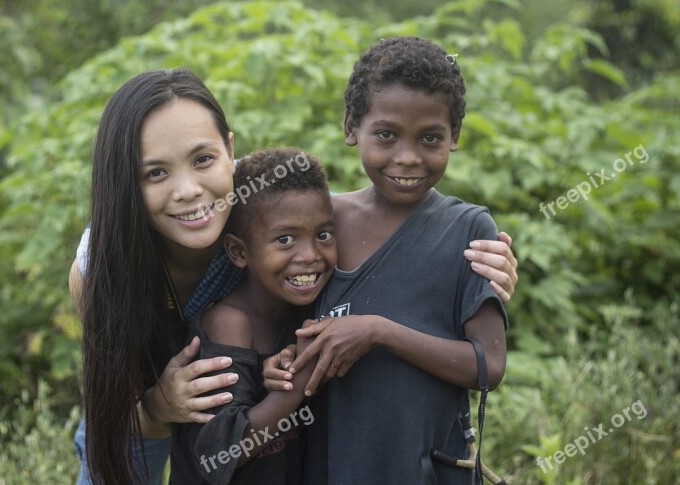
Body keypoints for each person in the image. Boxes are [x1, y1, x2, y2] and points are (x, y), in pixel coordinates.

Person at [69, 67, 518, 484]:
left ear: (229, 148)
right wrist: (159, 404)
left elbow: (332, 218)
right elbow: (118, 406)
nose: (189, 190)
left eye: (203, 159)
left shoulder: (258, 218)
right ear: (126, 182)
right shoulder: (105, 269)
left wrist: (477, 269)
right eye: (155, 172)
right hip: (132, 421)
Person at [271, 37, 510, 483]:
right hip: (326, 467)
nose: (407, 157)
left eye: (430, 138)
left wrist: (378, 332)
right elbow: (287, 328)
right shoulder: (322, 224)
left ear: (454, 136)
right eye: (386, 134)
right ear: (350, 127)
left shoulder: (468, 230)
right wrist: (279, 362)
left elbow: (488, 367)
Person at [170, 147, 333, 484]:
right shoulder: (229, 323)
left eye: (323, 235)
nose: (311, 255)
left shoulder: (306, 310)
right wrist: (302, 378)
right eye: (285, 239)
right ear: (239, 252)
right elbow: (221, 453)